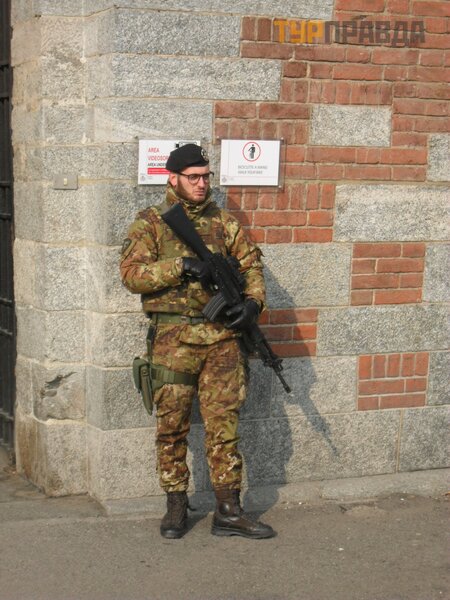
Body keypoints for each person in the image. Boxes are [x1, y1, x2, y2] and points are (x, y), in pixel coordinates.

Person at [120, 144, 274, 540]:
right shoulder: (152, 223)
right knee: (172, 426)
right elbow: (131, 275)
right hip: (173, 342)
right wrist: (180, 266)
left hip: (222, 340)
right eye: (193, 177)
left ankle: (228, 509)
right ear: (172, 178)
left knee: (224, 426)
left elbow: (251, 266)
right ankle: (176, 503)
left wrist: (253, 304)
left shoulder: (225, 223)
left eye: (205, 176)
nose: (202, 184)